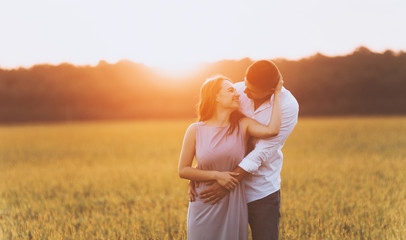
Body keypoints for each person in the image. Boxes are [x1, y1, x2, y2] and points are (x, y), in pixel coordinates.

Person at [196, 60, 299, 240]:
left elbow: (263, 151)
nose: (244, 91)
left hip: (261, 190)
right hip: (226, 187)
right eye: (245, 83)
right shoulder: (238, 91)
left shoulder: (288, 106)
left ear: (269, 91)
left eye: (250, 89)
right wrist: (198, 173)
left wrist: (226, 184)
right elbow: (211, 128)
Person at [178, 74, 283, 240]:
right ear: (216, 97)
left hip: (232, 201)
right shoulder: (195, 129)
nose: (237, 94)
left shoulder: (243, 125)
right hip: (204, 201)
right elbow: (183, 170)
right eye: (230, 90)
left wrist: (277, 94)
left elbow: (273, 130)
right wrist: (216, 175)